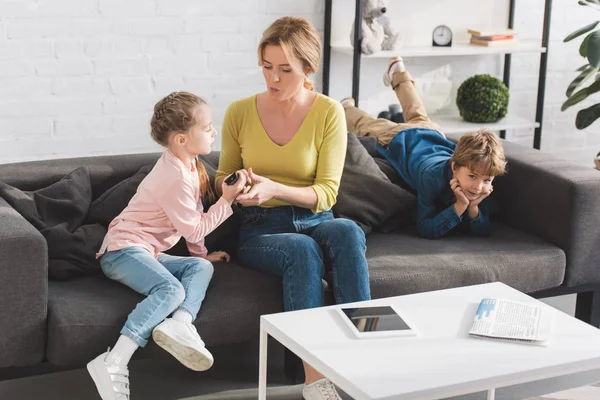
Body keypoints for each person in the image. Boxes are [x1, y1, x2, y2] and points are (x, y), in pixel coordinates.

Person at [215, 16, 370, 400]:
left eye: (286, 69)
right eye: (267, 67)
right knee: (300, 251)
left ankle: (366, 361)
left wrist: (275, 187)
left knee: (349, 231)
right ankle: (316, 381)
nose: (274, 79)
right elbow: (219, 177)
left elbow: (327, 193)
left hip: (317, 218)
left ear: (308, 69)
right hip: (261, 225)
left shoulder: (328, 112)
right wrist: (238, 186)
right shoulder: (239, 112)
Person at [87, 92, 247, 400]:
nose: (214, 131)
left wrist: (202, 255)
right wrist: (227, 200)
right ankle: (113, 360)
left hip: (147, 252)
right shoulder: (173, 176)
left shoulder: (189, 165)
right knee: (170, 290)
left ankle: (180, 322)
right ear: (181, 139)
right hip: (122, 251)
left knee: (200, 268)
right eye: (207, 126)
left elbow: (193, 222)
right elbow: (197, 226)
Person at [342, 57, 507, 239]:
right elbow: (426, 228)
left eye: (487, 180)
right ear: (454, 166)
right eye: (473, 177)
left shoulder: (480, 175)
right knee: (367, 124)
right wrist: (460, 206)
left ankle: (398, 72)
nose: (478, 187)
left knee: (415, 109)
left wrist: (473, 206)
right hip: (402, 138)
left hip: (432, 132)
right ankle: (345, 108)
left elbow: (484, 232)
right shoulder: (432, 178)